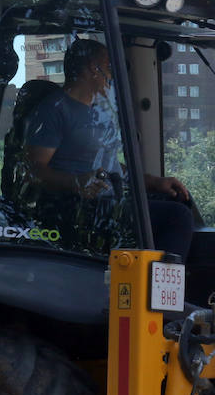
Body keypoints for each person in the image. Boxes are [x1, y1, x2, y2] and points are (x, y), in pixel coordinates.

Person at [24, 38, 194, 258]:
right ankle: (159, 289)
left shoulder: (97, 113)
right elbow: (34, 169)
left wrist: (155, 182)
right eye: (108, 67)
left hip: (110, 202)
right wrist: (76, 183)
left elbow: (111, 166)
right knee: (176, 217)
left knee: (180, 200)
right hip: (81, 209)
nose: (112, 75)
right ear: (92, 69)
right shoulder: (54, 110)